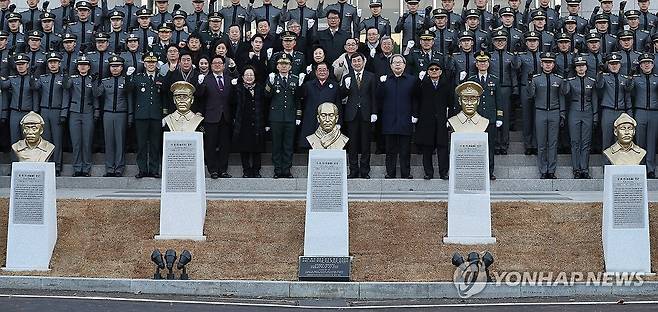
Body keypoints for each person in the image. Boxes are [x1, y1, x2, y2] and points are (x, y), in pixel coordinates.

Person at [377, 54, 417, 179]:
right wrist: (381, 84)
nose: (398, 64)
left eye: (400, 62)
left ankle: (406, 173)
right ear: (391, 65)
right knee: (390, 150)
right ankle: (390, 173)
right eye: (395, 62)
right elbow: (378, 98)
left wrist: (415, 114)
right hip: (389, 120)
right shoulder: (385, 80)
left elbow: (416, 99)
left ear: (404, 65)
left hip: (405, 119)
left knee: (405, 150)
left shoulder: (412, 80)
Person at [126, 52, 165, 179]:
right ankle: (142, 169)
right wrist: (128, 77)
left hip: (156, 115)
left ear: (156, 64)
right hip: (141, 115)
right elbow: (128, 89)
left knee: (155, 144)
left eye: (153, 62)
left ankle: (154, 170)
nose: (151, 65)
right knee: (141, 144)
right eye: (148, 62)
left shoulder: (161, 77)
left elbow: (165, 97)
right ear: (144, 63)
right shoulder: (138, 77)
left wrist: (164, 114)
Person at [94, 55, 133, 177]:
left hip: (121, 113)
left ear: (122, 68)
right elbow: (97, 94)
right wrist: (95, 82)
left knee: (120, 142)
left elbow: (129, 99)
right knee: (109, 141)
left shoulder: (125, 80)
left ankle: (119, 168)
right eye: (112, 67)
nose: (115, 69)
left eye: (117, 66)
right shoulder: (105, 81)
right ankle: (110, 168)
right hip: (108, 114)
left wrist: (130, 116)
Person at [197, 55, 235, 179]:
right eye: (214, 63)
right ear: (211, 66)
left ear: (224, 66)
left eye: (220, 63)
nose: (217, 65)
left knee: (225, 145)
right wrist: (200, 84)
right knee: (211, 144)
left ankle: (223, 170)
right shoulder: (206, 79)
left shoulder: (230, 79)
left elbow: (233, 100)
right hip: (211, 116)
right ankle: (212, 170)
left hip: (226, 117)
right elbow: (200, 96)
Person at [415, 60, 453, 180]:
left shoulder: (446, 84)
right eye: (431, 69)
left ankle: (443, 172)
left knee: (443, 147)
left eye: (436, 69)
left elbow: (451, 103)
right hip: (426, 121)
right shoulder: (422, 84)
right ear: (428, 72)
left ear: (441, 71)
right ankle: (428, 173)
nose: (434, 71)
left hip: (442, 120)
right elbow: (415, 98)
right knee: (427, 148)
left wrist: (450, 118)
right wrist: (418, 81)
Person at [528, 52, 564, 179]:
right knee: (542, 143)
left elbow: (562, 97)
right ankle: (543, 170)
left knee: (553, 143)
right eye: (545, 63)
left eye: (550, 62)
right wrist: (529, 82)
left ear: (553, 64)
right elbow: (531, 95)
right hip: (540, 111)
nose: (548, 65)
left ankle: (552, 170)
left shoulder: (559, 79)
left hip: (554, 111)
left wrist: (562, 114)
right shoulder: (536, 78)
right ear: (541, 64)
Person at [265, 54, 301, 179]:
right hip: (276, 117)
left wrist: (298, 116)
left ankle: (286, 169)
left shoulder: (295, 79)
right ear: (277, 66)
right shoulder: (273, 78)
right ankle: (277, 169)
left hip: (290, 117)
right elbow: (267, 96)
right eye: (281, 64)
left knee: (288, 145)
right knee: (276, 145)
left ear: (290, 66)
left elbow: (298, 100)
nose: (283, 66)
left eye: (286, 64)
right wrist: (270, 82)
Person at [561, 56, 597, 179]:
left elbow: (594, 99)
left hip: (588, 112)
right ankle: (576, 169)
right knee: (575, 141)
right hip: (574, 111)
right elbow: (565, 92)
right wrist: (565, 79)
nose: (580, 68)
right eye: (578, 66)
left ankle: (584, 169)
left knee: (586, 142)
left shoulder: (591, 81)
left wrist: (595, 115)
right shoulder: (571, 81)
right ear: (575, 68)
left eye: (582, 65)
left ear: (586, 67)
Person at [340, 52, 376, 179]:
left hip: (366, 113)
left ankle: (365, 171)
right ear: (351, 63)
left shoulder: (371, 76)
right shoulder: (347, 77)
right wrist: (347, 87)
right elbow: (342, 95)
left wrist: (374, 112)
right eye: (354, 61)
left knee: (366, 144)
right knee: (352, 144)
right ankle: (353, 170)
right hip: (352, 114)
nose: (356, 63)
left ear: (363, 61)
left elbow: (374, 96)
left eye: (359, 61)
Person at [468, 50, 502, 180]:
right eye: (480, 62)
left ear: (488, 63)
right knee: (475, 146)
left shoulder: (495, 80)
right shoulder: (471, 80)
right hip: (475, 118)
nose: (482, 64)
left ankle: (489, 172)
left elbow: (499, 100)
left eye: (485, 62)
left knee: (489, 147)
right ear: (476, 64)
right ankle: (475, 172)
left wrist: (499, 117)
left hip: (490, 119)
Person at [61, 55, 97, 177]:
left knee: (87, 142)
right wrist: (66, 77)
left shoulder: (92, 79)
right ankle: (77, 167)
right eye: (80, 65)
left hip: (88, 112)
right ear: (77, 67)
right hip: (74, 112)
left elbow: (95, 97)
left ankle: (86, 168)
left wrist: (96, 111)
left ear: (88, 67)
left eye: (85, 65)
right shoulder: (73, 79)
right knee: (76, 142)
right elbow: (66, 89)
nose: (82, 67)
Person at [626, 53, 658, 178]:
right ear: (640, 65)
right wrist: (630, 77)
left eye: (649, 62)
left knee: (652, 141)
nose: (646, 64)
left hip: (654, 112)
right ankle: (640, 167)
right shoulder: (636, 78)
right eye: (644, 63)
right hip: (640, 111)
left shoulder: (656, 78)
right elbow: (628, 90)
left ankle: (650, 168)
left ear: (653, 64)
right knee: (639, 141)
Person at [35, 52, 66, 176]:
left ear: (59, 64)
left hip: (57, 111)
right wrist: (33, 76)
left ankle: (57, 166)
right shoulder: (43, 78)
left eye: (55, 62)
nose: (53, 65)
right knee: (45, 140)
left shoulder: (63, 78)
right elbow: (35, 88)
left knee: (57, 140)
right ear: (48, 64)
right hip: (44, 110)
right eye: (51, 62)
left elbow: (65, 96)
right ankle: (47, 164)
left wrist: (64, 112)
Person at [232, 66, 266, 178]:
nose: (249, 77)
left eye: (251, 75)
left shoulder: (260, 88)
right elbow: (232, 103)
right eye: (247, 75)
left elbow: (264, 105)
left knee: (257, 147)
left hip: (257, 120)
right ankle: (246, 170)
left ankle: (256, 170)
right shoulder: (238, 88)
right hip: (243, 121)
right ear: (242, 77)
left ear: (255, 77)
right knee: (244, 147)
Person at [298, 62, 340, 149]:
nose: (322, 72)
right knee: (311, 145)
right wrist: (300, 85)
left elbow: (338, 105)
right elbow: (299, 98)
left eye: (324, 70)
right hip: (311, 120)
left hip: (329, 121)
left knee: (328, 146)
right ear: (316, 72)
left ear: (328, 72)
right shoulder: (308, 85)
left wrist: (339, 122)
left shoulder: (335, 86)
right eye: (319, 70)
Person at [596, 53, 632, 149]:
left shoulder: (624, 78)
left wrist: (629, 113)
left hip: (621, 112)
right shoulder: (604, 77)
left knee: (620, 140)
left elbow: (628, 95)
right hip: (608, 111)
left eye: (616, 63)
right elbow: (599, 86)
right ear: (608, 65)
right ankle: (606, 163)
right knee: (607, 140)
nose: (614, 66)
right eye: (612, 64)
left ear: (620, 65)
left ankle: (618, 164)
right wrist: (599, 73)